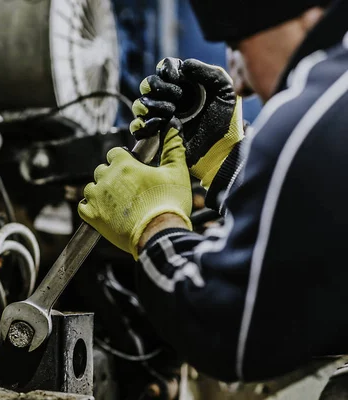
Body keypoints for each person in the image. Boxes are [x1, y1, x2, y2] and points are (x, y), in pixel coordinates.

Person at [78, 0, 348, 383]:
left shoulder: (315, 114)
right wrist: (226, 160)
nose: (238, 82)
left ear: (303, 15)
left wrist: (153, 223)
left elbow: (231, 330)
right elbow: (319, 263)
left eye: (237, 44)